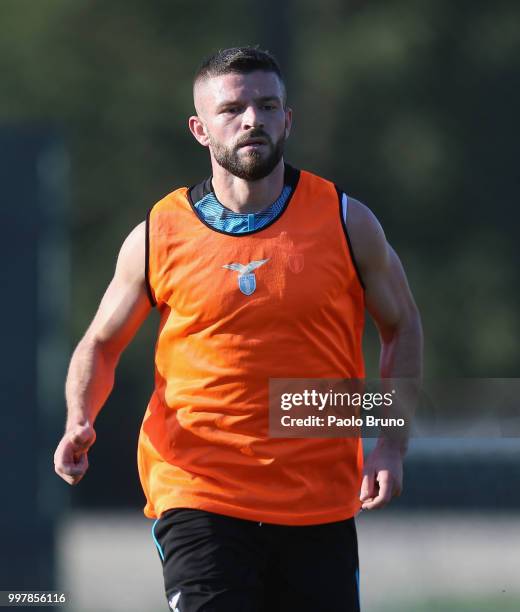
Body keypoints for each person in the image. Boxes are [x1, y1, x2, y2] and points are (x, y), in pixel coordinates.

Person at [54, 46, 423, 612]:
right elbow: (102, 344)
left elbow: (402, 328)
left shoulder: (346, 221)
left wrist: (389, 447)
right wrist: (80, 418)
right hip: (197, 489)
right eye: (233, 110)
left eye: (267, 105)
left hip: (316, 499)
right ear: (200, 130)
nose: (252, 119)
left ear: (287, 120)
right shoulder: (160, 232)